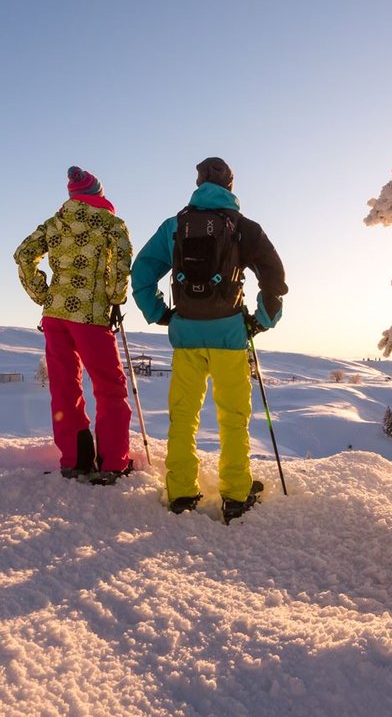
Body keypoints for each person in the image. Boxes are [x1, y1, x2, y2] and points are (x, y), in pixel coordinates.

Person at [131, 157, 287, 522]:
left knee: (183, 416)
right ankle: (235, 494)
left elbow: (142, 272)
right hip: (229, 336)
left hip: (186, 336)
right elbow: (274, 277)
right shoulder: (244, 227)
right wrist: (262, 320)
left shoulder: (175, 226)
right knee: (233, 417)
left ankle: (182, 492)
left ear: (199, 182)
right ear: (230, 186)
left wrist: (159, 313)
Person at [14, 166, 134, 484]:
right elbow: (122, 261)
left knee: (65, 388)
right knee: (109, 387)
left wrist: (42, 293)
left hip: (55, 316)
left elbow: (24, 254)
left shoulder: (55, 223)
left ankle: (75, 460)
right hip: (91, 315)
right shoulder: (111, 223)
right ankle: (112, 463)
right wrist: (115, 296)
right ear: (98, 194)